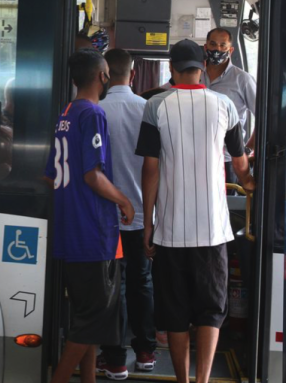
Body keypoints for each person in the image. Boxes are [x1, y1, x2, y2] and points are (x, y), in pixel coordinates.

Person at [135, 40, 256, 383]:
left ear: (171, 68)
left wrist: (148, 225)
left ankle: (182, 381)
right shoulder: (225, 105)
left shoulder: (156, 106)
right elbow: (240, 164)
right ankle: (202, 380)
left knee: (174, 313)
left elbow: (150, 170)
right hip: (213, 232)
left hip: (171, 232)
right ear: (203, 65)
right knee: (210, 311)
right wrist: (250, 184)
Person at [44, 49, 134, 383]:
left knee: (87, 318)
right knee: (92, 318)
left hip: (69, 230)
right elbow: (92, 175)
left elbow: (50, 174)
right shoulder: (92, 115)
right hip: (93, 233)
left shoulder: (65, 114)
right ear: (102, 76)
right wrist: (123, 200)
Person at [97, 49, 156, 380]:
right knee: (142, 281)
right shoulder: (148, 109)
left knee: (112, 287)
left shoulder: (97, 111)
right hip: (141, 215)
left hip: (106, 216)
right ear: (132, 75)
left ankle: (114, 358)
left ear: (104, 74)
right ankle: (146, 352)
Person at [201, 28, 257, 182]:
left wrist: (247, 149)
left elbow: (263, 118)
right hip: (197, 157)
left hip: (229, 160)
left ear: (230, 50)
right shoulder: (196, 75)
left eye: (222, 46)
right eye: (213, 44)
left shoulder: (243, 80)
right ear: (206, 47)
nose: (217, 49)